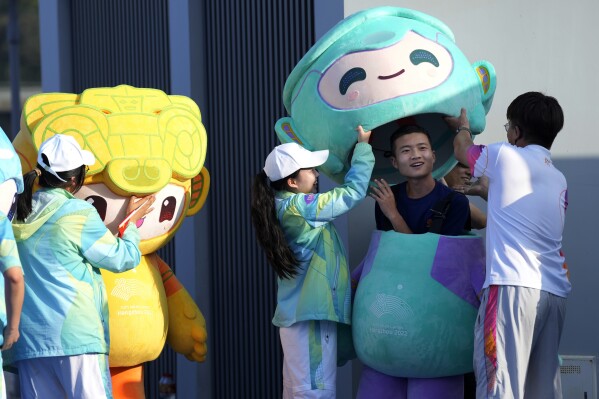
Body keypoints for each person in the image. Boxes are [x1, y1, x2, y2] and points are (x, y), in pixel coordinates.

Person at [6, 134, 155, 399]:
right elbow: (123, 257)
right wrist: (131, 222)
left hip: (30, 343)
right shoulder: (78, 213)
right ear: (74, 180)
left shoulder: (18, 213)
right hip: (77, 339)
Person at [446, 91, 569, 399]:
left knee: (499, 387)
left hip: (510, 289)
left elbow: (463, 150)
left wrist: (462, 127)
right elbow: (526, 215)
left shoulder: (504, 155)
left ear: (515, 131)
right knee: (541, 391)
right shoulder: (558, 179)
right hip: (553, 295)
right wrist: (489, 193)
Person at [250, 126, 374, 398]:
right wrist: (364, 148)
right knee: (315, 392)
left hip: (300, 317)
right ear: (292, 182)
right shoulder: (300, 206)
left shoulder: (281, 206)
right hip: (311, 318)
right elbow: (351, 194)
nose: (317, 175)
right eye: (311, 170)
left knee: (299, 391)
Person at [355, 124, 471, 399]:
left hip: (438, 324)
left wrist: (394, 215)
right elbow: (389, 260)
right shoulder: (386, 197)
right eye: (406, 151)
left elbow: (429, 264)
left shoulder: (454, 203)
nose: (415, 155)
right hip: (395, 319)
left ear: (434, 155)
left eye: (422, 148)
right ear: (394, 162)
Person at [443, 162, 488, 229]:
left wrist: (483, 190)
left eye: (472, 167)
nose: (470, 173)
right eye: (463, 165)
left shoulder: (454, 198)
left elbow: (481, 222)